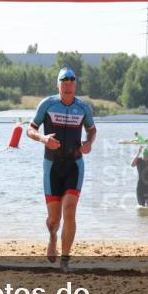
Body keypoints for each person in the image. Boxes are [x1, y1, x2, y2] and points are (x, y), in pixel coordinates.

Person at [26, 67, 96, 272]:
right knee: (54, 219)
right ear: (58, 86)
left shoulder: (83, 107)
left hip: (75, 165)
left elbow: (92, 130)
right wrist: (43, 138)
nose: (67, 87)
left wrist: (89, 142)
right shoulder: (47, 104)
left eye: (71, 84)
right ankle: (52, 236)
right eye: (63, 84)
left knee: (70, 210)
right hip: (52, 167)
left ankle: (65, 259)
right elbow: (30, 130)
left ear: (75, 86)